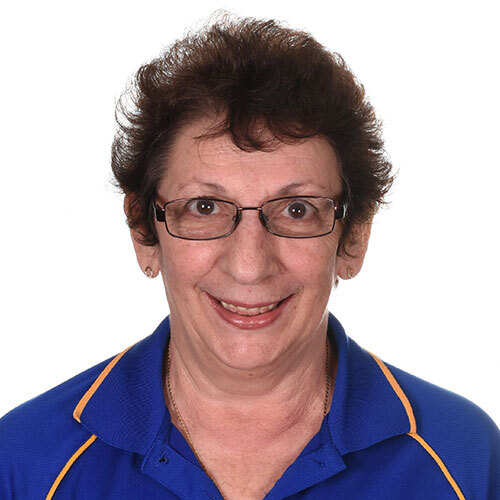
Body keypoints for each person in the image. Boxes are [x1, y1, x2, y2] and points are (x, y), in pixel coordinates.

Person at [1, 14, 499, 500]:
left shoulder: (466, 461)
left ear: (354, 239)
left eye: (297, 209)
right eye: (204, 207)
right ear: (144, 233)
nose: (249, 265)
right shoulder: (24, 463)